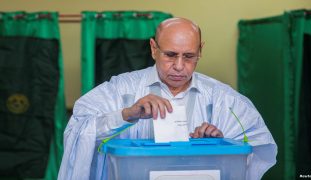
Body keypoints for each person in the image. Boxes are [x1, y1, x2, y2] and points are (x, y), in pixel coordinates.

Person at [58, 17, 277, 180]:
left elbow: (259, 147)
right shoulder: (119, 91)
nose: (180, 66)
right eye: (170, 55)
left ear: (200, 51)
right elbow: (77, 131)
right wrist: (125, 115)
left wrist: (219, 143)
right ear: (154, 48)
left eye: (189, 56)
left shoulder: (226, 101)